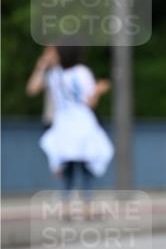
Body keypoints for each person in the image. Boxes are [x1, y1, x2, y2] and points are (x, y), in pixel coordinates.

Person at [27, 45, 114, 215]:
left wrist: (41, 67)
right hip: (82, 123)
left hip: (63, 124)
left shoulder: (55, 75)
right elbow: (89, 102)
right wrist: (98, 90)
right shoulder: (81, 72)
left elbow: (31, 89)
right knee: (86, 165)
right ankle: (87, 207)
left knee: (68, 167)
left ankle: (66, 207)